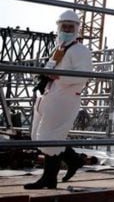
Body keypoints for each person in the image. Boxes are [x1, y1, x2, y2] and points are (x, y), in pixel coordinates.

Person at [24, 10, 93, 190]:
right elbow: (50, 68)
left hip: (64, 98)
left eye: (71, 27)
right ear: (59, 27)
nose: (67, 29)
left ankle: (49, 179)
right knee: (39, 137)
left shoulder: (79, 50)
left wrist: (58, 76)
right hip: (50, 96)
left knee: (49, 138)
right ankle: (74, 160)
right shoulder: (60, 48)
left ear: (77, 29)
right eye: (64, 26)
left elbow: (83, 75)